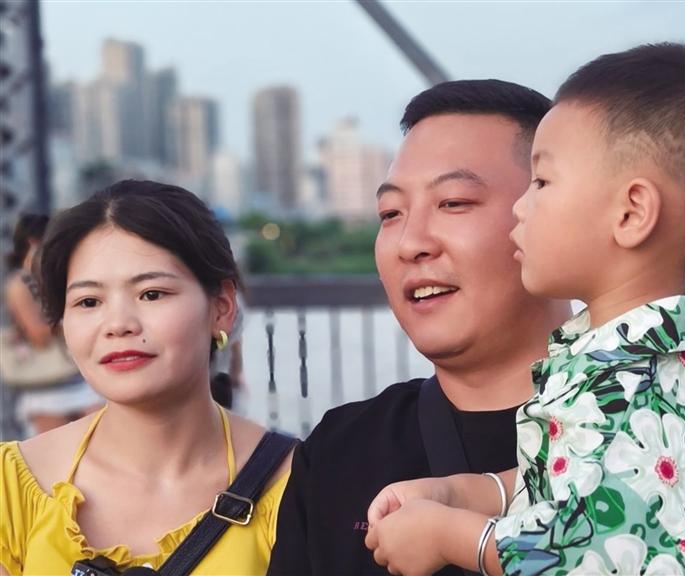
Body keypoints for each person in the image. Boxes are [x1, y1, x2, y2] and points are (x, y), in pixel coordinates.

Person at [365, 43, 685, 576]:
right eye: (389, 212)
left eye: (542, 182)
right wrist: (468, 492)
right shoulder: (638, 367)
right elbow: (583, 476)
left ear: (631, 213)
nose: (520, 206)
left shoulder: (643, 393)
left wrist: (451, 536)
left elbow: (592, 553)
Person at [267, 81, 574, 575]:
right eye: (390, 213)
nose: (410, 243)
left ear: (555, 213)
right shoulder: (340, 453)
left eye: (453, 202)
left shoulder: (672, 430)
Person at [0, 180, 292, 574]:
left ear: (222, 307)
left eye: (152, 294)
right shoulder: (13, 488)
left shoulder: (296, 484)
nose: (118, 324)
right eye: (88, 301)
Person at [3, 214, 102, 436]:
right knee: (55, 451)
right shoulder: (20, 284)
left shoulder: (55, 275)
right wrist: (75, 315)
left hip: (78, 377)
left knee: (98, 441)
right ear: (34, 242)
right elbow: (39, 334)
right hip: (47, 385)